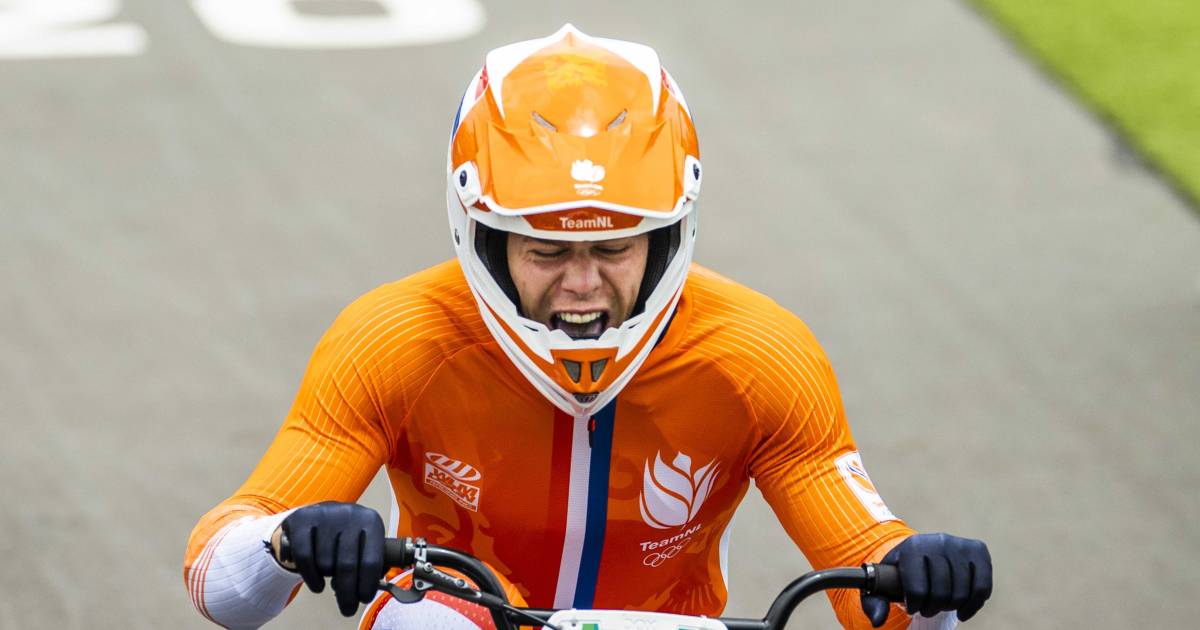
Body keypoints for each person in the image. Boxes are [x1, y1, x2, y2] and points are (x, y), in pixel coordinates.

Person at [183, 24, 992, 630]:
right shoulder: (393, 340)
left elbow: (868, 590)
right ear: (484, 236)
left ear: (668, 235)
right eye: (545, 251)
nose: (582, 283)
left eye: (612, 247)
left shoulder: (758, 355)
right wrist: (287, 540)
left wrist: (921, 578)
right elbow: (220, 584)